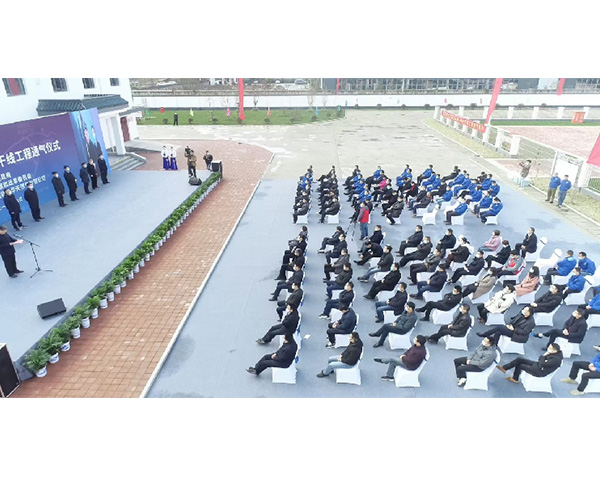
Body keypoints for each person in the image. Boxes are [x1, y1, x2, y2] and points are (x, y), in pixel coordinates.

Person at [498, 343, 563, 384]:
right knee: (519, 359)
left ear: (555, 351)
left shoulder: (556, 360)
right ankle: (504, 368)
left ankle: (515, 379)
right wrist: (542, 359)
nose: (548, 349)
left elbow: (542, 363)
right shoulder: (552, 354)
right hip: (538, 365)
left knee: (520, 365)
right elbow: (541, 361)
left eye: (550, 348)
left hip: (539, 371)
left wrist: (543, 356)